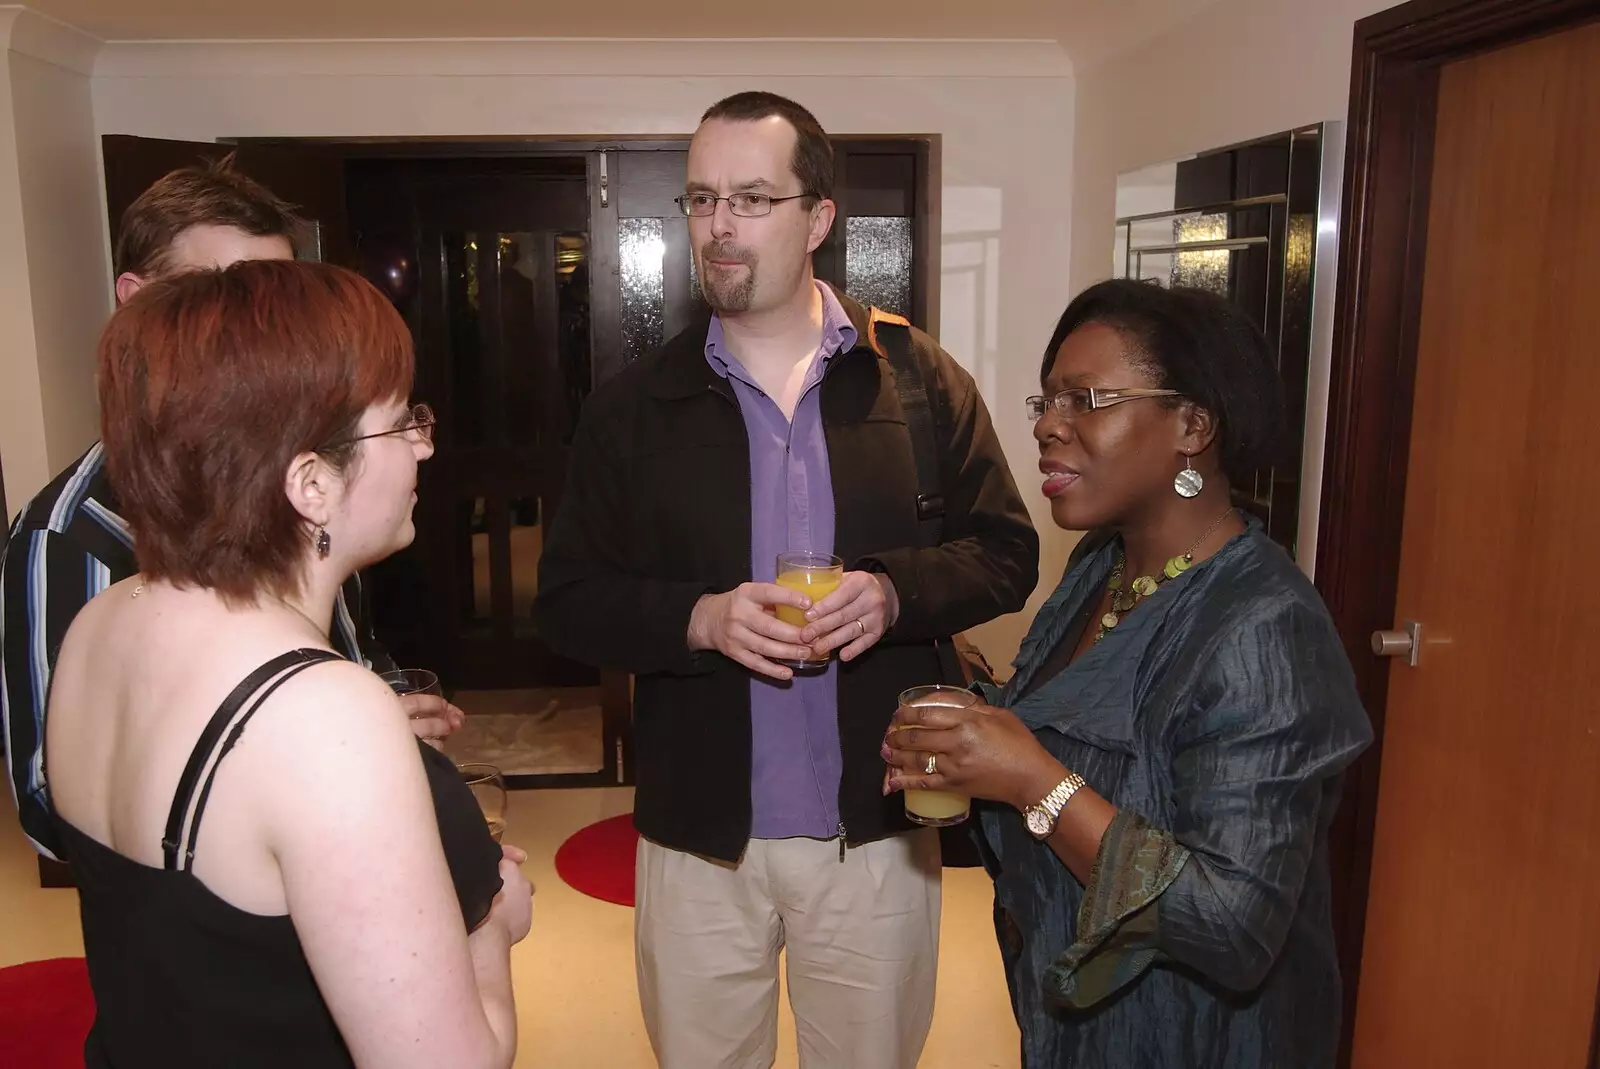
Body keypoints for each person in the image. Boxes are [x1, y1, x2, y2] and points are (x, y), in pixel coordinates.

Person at [536, 91, 1038, 1069]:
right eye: (701, 198)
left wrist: (895, 591)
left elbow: (1006, 549)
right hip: (696, 836)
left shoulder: (919, 384)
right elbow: (567, 598)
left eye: (752, 198)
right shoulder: (633, 409)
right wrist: (698, 618)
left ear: (818, 218)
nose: (718, 226)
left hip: (878, 832)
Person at [46, 260, 531, 1068]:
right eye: (401, 422)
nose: (423, 443)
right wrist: (490, 925)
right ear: (310, 482)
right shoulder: (320, 711)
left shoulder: (98, 623)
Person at [884, 279, 1373, 1068]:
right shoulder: (1100, 568)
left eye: (1087, 398)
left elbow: (1233, 926)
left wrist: (1031, 778)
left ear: (1191, 424)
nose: (1048, 425)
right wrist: (975, 734)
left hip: (1201, 1038)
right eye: (1046, 401)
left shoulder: (1265, 629)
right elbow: (1090, 736)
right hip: (1082, 1027)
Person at [1, 157, 461, 864]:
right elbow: (50, 799)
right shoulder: (70, 534)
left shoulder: (308, 491)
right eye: (234, 297)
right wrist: (312, 766)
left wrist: (378, 711)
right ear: (139, 304)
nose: (274, 337)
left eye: (283, 300)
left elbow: (342, 648)